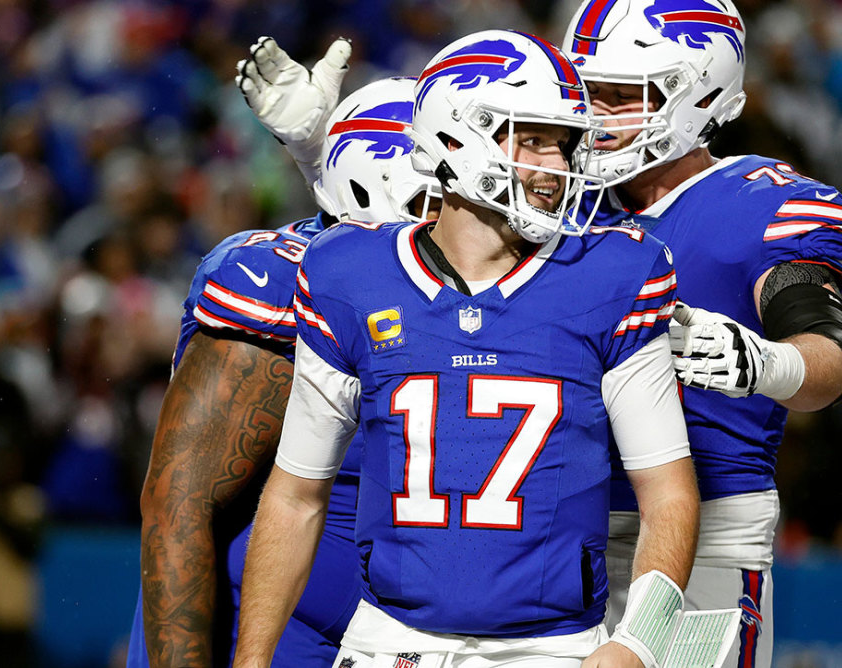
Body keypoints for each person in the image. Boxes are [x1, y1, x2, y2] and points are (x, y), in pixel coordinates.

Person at [231, 30, 700, 668]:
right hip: (387, 641)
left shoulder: (613, 272)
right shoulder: (352, 272)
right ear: (455, 136)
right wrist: (252, 661)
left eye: (561, 144)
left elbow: (668, 490)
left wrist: (638, 644)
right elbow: (295, 495)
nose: (555, 167)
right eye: (532, 138)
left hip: (552, 648)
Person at [561, 2, 842, 665]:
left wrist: (764, 361)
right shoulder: (556, 203)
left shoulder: (762, 206)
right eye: (588, 93)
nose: (596, 117)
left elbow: (829, 354)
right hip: (551, 541)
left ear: (699, 92)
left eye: (620, 95)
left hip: (705, 543)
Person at [129, 36, 440, 668]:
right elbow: (179, 507)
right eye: (439, 200)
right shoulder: (279, 283)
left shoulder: (466, 290)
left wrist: (312, 156)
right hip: (269, 631)